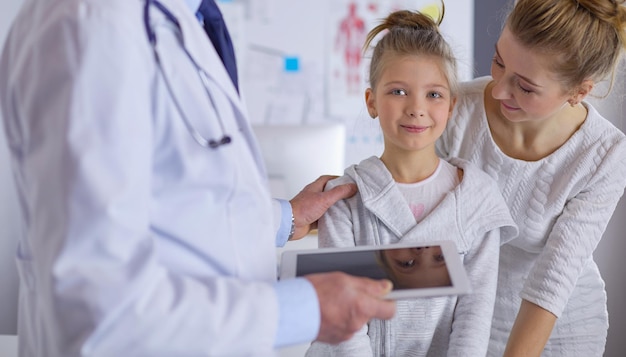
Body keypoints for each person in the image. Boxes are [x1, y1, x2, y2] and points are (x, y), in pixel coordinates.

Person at [0, 0, 396, 355]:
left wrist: (285, 218)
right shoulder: (93, 25)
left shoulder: (183, 20)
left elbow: (183, 197)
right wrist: (302, 309)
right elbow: (100, 309)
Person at [306, 7, 517, 357]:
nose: (416, 108)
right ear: (371, 101)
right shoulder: (344, 199)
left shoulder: (477, 200)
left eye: (433, 94)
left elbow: (473, 320)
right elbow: (344, 321)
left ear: (451, 106)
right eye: (398, 92)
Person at [436, 0, 626, 355]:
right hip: (466, 318)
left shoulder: (605, 154)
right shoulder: (457, 109)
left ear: (578, 92)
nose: (499, 90)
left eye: (524, 87)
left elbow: (552, 280)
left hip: (560, 329)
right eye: (498, 61)